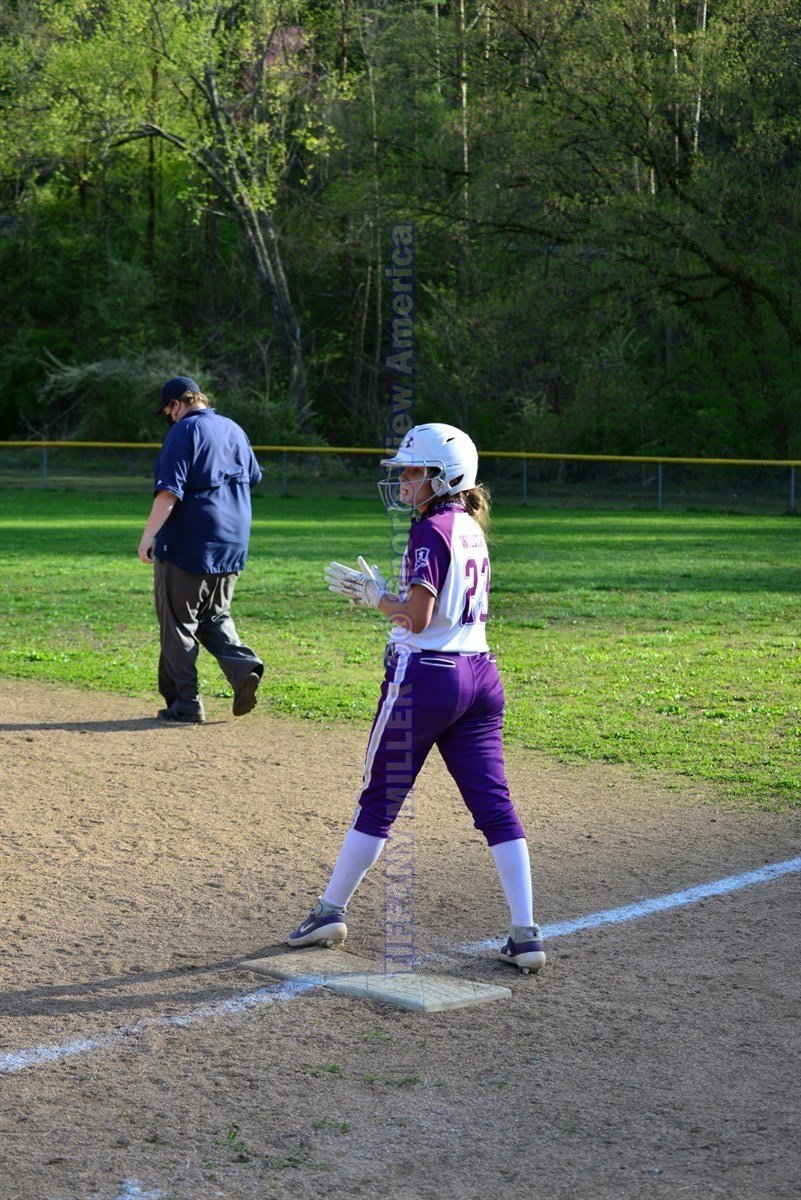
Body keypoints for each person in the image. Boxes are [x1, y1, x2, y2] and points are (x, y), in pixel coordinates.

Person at [287, 423, 546, 974]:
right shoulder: (470, 525)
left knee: (378, 800)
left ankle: (330, 911)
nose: (404, 479)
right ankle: (525, 933)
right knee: (495, 806)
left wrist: (376, 596)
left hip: (426, 679)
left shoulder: (430, 529)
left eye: (414, 470)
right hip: (480, 675)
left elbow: (418, 618)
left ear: (444, 477)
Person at [137, 376, 264, 724]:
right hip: (232, 542)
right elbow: (253, 478)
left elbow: (169, 492)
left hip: (188, 542)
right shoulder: (234, 429)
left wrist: (148, 536)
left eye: (168, 411)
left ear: (177, 404)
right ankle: (244, 669)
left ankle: (186, 703)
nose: (169, 418)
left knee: (177, 623)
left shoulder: (184, 431)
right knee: (214, 616)